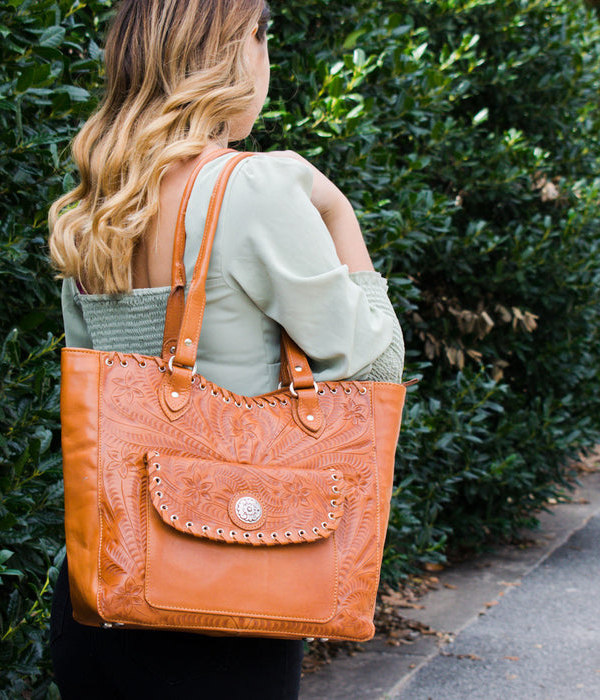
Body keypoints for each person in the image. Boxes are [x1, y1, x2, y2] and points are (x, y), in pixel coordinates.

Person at [46, 1, 404, 697]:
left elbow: (99, 398)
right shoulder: (257, 188)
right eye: (262, 33)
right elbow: (374, 368)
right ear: (234, 48)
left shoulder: (93, 202)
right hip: (226, 587)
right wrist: (335, 208)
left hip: (102, 584)